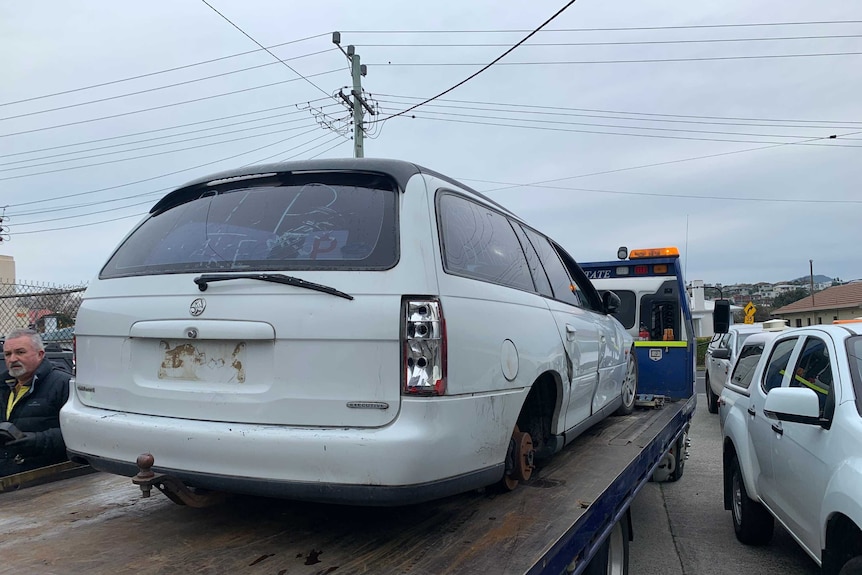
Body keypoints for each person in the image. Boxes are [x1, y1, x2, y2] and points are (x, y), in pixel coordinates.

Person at [1, 328, 71, 477]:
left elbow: (78, 433)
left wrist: (36, 441)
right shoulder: (3, 386)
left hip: (46, 480)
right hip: (9, 478)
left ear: (40, 354)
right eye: (8, 354)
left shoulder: (63, 383)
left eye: (20, 352)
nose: (12, 359)